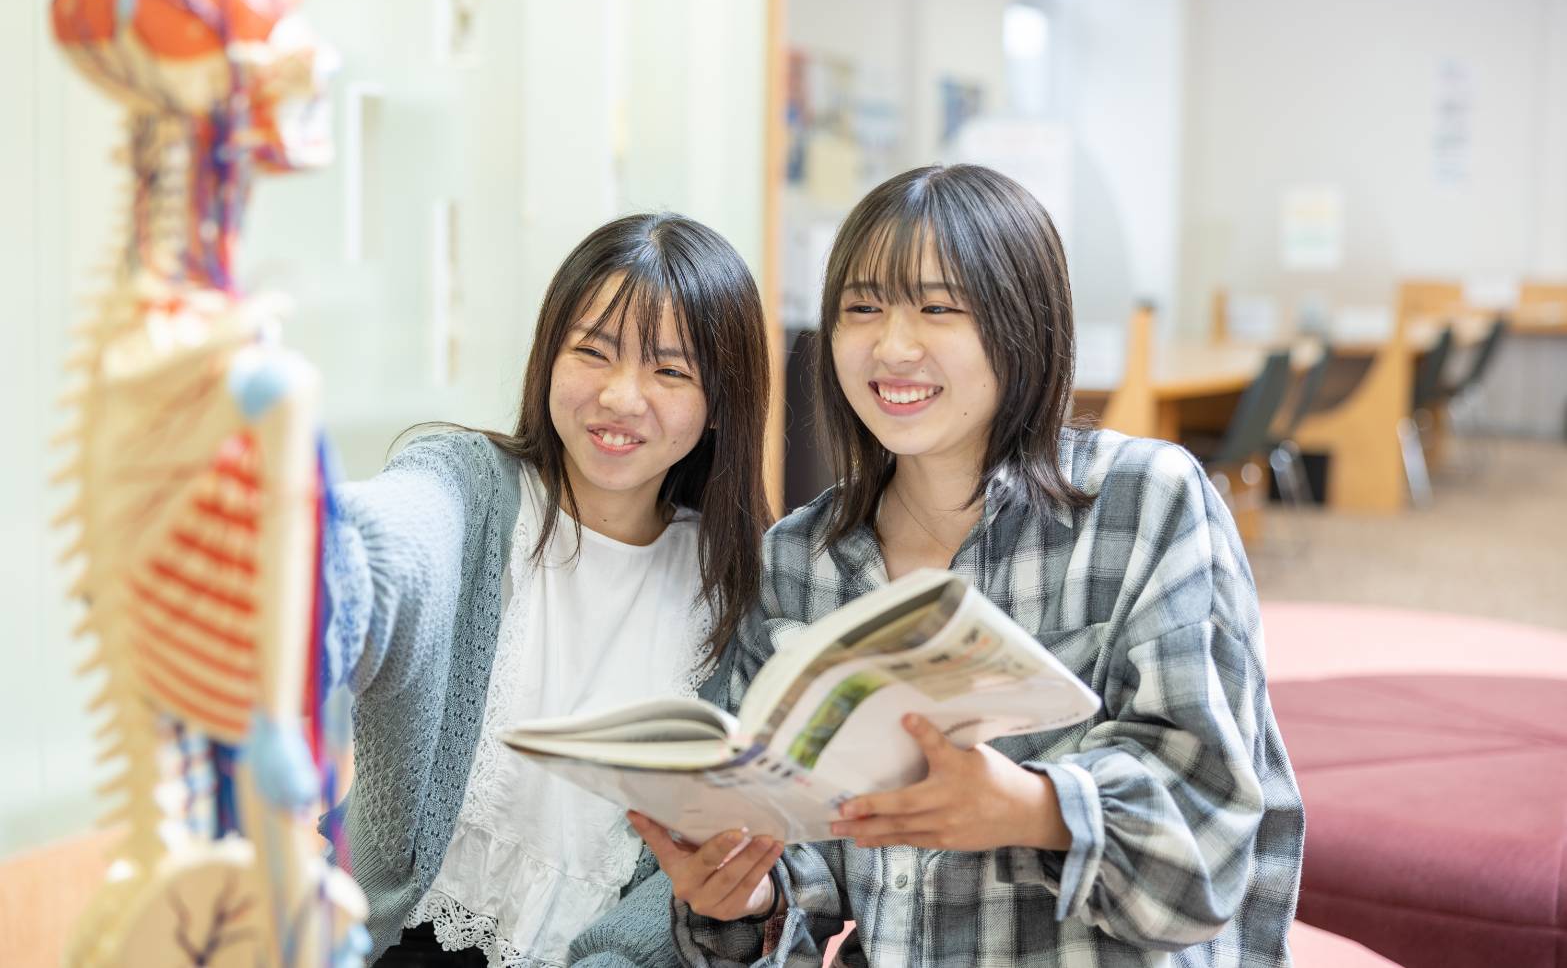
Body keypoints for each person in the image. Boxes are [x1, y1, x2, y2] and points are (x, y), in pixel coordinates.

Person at [596, 165, 1304, 966]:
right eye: (861, 307)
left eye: (937, 307)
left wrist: (1035, 808)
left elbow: (1210, 852)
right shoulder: (799, 557)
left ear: (1022, 324)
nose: (892, 346)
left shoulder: (1144, 502)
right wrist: (747, 892)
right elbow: (802, 855)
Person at [317, 212, 771, 965]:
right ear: (548, 356)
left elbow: (692, 870)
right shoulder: (471, 487)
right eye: (592, 352)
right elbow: (400, 533)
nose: (621, 397)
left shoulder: (736, 592)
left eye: (669, 370)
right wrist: (332, 552)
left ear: (720, 403)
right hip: (385, 939)